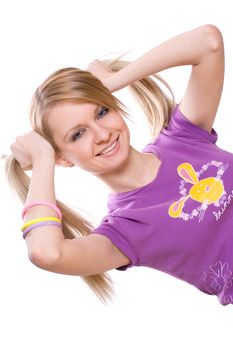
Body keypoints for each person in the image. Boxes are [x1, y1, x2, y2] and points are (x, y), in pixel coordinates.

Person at [3, 24, 230, 306]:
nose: (102, 135)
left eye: (101, 111)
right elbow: (46, 253)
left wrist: (114, 81)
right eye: (78, 134)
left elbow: (208, 42)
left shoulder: (182, 137)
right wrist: (42, 159)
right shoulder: (124, 229)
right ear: (62, 158)